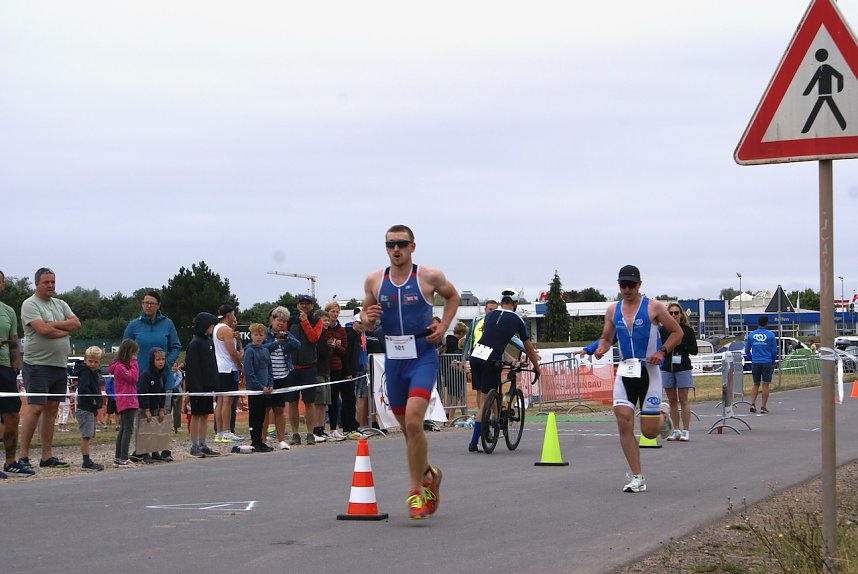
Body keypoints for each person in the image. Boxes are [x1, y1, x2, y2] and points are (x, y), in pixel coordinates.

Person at [361, 224, 459, 519]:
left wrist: (443, 327)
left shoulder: (428, 276)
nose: (396, 249)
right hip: (393, 357)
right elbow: (366, 317)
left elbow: (452, 297)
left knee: (415, 423)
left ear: (413, 246)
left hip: (422, 355)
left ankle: (417, 490)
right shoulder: (375, 280)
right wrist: (368, 318)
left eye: (402, 243)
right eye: (391, 244)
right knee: (407, 430)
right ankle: (430, 474)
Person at [595, 265, 682, 493]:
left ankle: (663, 415)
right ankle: (637, 476)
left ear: (639, 284)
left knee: (649, 433)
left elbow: (677, 332)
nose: (626, 289)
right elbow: (606, 338)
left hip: (649, 371)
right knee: (623, 420)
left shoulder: (653, 307)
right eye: (622, 284)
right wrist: (601, 349)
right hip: (625, 371)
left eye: (631, 285)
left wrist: (661, 351)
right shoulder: (613, 310)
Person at [19, 267, 80, 470]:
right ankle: (23, 456)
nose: (51, 286)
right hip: (37, 365)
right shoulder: (30, 304)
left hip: (59, 365)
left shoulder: (61, 303)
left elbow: (76, 323)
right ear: (37, 283)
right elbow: (42, 330)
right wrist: (64, 330)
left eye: (53, 282)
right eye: (46, 282)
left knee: (52, 410)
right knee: (35, 407)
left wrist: (54, 325)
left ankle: (47, 456)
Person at [467, 289, 541, 453]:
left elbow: (492, 335)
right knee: (485, 402)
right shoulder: (517, 319)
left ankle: (488, 426)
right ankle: (474, 441)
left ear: (501, 302)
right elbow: (528, 348)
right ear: (515, 304)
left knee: (483, 395)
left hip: (476, 354)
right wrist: (537, 368)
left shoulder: (489, 315)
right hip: (491, 358)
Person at [123, 290, 181, 458]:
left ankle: (161, 449)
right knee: (143, 414)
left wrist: (166, 364)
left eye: (151, 303)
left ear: (158, 305)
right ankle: (142, 449)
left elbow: (176, 346)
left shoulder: (168, 324)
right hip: (141, 377)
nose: (148, 306)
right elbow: (125, 349)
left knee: (162, 412)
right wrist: (131, 367)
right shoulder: (134, 325)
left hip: (164, 378)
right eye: (145, 302)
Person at [0, 270, 34, 477]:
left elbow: (14, 342)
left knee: (12, 414)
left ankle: (10, 461)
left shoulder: (8, 311)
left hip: (5, 368)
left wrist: (16, 368)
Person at [285, 294, 323, 446]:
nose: (304, 306)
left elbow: (314, 338)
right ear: (297, 306)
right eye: (302, 303)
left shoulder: (317, 321)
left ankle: (310, 433)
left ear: (312, 306)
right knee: (292, 402)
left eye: (307, 304)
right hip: (292, 368)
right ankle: (295, 433)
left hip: (309, 367)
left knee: (309, 402)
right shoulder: (291, 321)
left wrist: (305, 322)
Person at [185, 312, 221, 458]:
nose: (213, 328)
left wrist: (215, 383)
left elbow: (212, 364)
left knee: (205, 415)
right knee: (196, 414)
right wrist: (195, 387)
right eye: (211, 325)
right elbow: (192, 368)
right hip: (197, 387)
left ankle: (202, 443)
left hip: (207, 386)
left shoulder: (209, 342)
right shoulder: (195, 343)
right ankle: (194, 445)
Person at [263, 306, 300, 450]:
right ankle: (262, 438)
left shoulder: (286, 334)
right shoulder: (264, 334)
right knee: (265, 409)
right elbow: (261, 348)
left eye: (284, 321)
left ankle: (281, 440)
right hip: (267, 376)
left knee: (279, 409)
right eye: (279, 320)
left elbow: (298, 345)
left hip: (283, 375)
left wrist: (287, 337)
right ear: (272, 320)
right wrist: (275, 343)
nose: (281, 323)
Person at [660, 303, 698, 442]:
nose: (673, 315)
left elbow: (694, 350)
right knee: (672, 400)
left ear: (681, 314)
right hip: (667, 367)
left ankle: (685, 430)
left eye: (676, 313)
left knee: (683, 399)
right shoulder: (663, 330)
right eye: (670, 313)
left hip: (683, 367)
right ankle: (675, 429)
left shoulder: (687, 330)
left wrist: (680, 343)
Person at [324, 301, 358, 439]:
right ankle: (318, 429)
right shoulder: (322, 328)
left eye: (337, 312)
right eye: (333, 311)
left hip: (336, 367)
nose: (335, 314)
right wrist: (327, 345)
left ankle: (333, 428)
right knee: (321, 400)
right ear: (327, 312)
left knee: (334, 399)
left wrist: (337, 347)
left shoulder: (341, 330)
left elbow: (345, 352)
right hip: (323, 368)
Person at [460, 299, 499, 413]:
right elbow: (468, 339)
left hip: (492, 358)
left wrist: (525, 348)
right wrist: (463, 358)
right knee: (479, 389)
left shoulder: (498, 324)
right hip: (477, 357)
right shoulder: (476, 321)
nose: (492, 312)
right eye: (490, 309)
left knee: (492, 389)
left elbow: (510, 339)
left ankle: (496, 416)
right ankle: (482, 418)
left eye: (495, 310)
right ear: (485, 309)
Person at [213, 304, 243, 443]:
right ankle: (226, 431)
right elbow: (232, 352)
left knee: (220, 401)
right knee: (227, 401)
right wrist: (239, 363)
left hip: (219, 368)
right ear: (229, 315)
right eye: (233, 314)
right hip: (228, 368)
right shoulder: (226, 330)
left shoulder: (217, 328)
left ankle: (219, 432)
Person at [243, 323, 274, 452]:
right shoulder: (249, 351)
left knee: (262, 416)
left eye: (261, 335)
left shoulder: (265, 350)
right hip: (255, 390)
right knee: (254, 417)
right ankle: (255, 441)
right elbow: (249, 373)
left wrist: (270, 384)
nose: (258, 337)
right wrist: (260, 387)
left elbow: (270, 370)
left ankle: (261, 440)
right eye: (256, 335)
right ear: (251, 336)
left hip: (265, 390)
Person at [73, 346, 105, 471]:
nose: (92, 364)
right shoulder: (85, 373)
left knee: (89, 434)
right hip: (85, 408)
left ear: (99, 363)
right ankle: (86, 461)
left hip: (90, 409)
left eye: (95, 362)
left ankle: (87, 459)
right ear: (85, 360)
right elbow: (83, 389)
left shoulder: (94, 373)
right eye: (90, 361)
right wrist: (92, 399)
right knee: (86, 435)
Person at [133, 347, 168, 463]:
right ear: (152, 360)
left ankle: (154, 451)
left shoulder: (163, 376)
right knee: (144, 429)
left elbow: (162, 393)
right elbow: (143, 392)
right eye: (158, 359)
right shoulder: (146, 374)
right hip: (144, 407)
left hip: (156, 406)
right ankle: (143, 453)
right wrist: (146, 409)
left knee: (154, 429)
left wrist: (161, 409)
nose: (161, 362)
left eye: (163, 359)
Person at [109, 339, 140, 467]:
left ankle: (119, 456)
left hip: (127, 399)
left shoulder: (120, 366)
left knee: (123, 428)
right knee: (128, 429)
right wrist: (133, 362)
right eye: (134, 353)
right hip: (127, 400)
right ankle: (123, 457)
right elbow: (134, 377)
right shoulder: (121, 367)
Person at [744, 315, 777, 414]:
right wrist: (772, 361)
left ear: (758, 323)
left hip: (756, 361)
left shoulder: (751, 335)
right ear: (767, 323)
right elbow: (774, 351)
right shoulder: (771, 335)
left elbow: (747, 350)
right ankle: (763, 406)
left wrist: (752, 358)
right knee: (765, 384)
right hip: (767, 361)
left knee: (756, 384)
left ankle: (752, 404)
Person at [346, 313, 370, 430]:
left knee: (356, 397)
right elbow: (348, 355)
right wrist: (349, 371)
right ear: (354, 323)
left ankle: (355, 424)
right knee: (352, 398)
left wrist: (364, 363)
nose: (361, 326)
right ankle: (351, 424)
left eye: (363, 324)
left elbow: (362, 352)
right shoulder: (350, 335)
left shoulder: (359, 335)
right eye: (359, 323)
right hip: (352, 372)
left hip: (360, 369)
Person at [312, 309, 333, 442]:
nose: (327, 322)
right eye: (324, 320)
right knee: (318, 403)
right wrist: (330, 347)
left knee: (323, 403)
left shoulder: (325, 335)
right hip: (318, 371)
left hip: (326, 371)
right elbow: (323, 352)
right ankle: (315, 429)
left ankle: (321, 428)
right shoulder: (318, 335)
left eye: (327, 320)